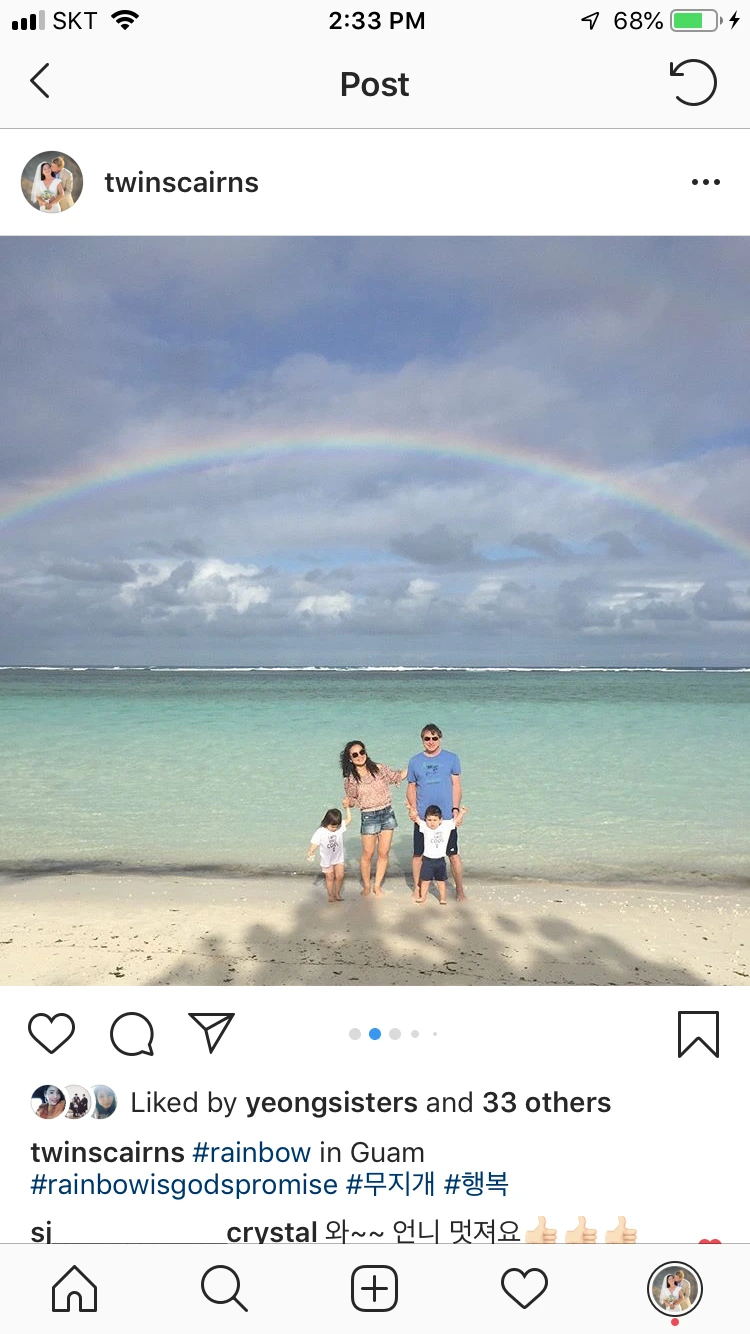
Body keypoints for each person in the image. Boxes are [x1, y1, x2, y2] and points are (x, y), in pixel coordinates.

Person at [406, 724, 465, 901]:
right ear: (422, 740)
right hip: (423, 817)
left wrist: (455, 809)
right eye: (427, 738)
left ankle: (460, 889)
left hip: (446, 816)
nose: (431, 741)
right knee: (418, 854)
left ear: (440, 738)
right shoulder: (414, 761)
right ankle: (417, 888)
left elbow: (456, 785)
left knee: (453, 854)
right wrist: (413, 809)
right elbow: (411, 787)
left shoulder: (452, 758)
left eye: (434, 738)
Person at [340, 741, 407, 897]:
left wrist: (417, 763)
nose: (359, 756)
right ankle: (366, 886)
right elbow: (353, 799)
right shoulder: (351, 779)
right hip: (369, 816)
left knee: (384, 853)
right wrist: (347, 802)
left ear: (365, 752)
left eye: (361, 752)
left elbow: (397, 776)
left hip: (387, 813)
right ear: (350, 759)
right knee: (367, 854)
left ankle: (377, 886)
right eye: (355, 754)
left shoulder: (379, 768)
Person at [407, 802, 467, 904]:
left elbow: (456, 821)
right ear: (425, 820)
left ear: (440, 820)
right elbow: (416, 819)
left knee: (441, 881)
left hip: (440, 861)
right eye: (429, 820)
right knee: (425, 880)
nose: (432, 823)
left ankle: (443, 898)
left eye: (435, 820)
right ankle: (423, 897)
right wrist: (410, 809)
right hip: (427, 861)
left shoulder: (445, 826)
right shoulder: (425, 827)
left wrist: (461, 812)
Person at [307, 805, 352, 903]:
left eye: (336, 826)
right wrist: (311, 851)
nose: (334, 829)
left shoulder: (339, 827)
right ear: (326, 822)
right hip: (327, 860)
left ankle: (337, 893)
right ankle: (331, 895)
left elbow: (349, 820)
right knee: (330, 877)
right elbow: (315, 843)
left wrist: (347, 808)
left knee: (340, 876)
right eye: (332, 827)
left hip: (338, 858)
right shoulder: (321, 831)